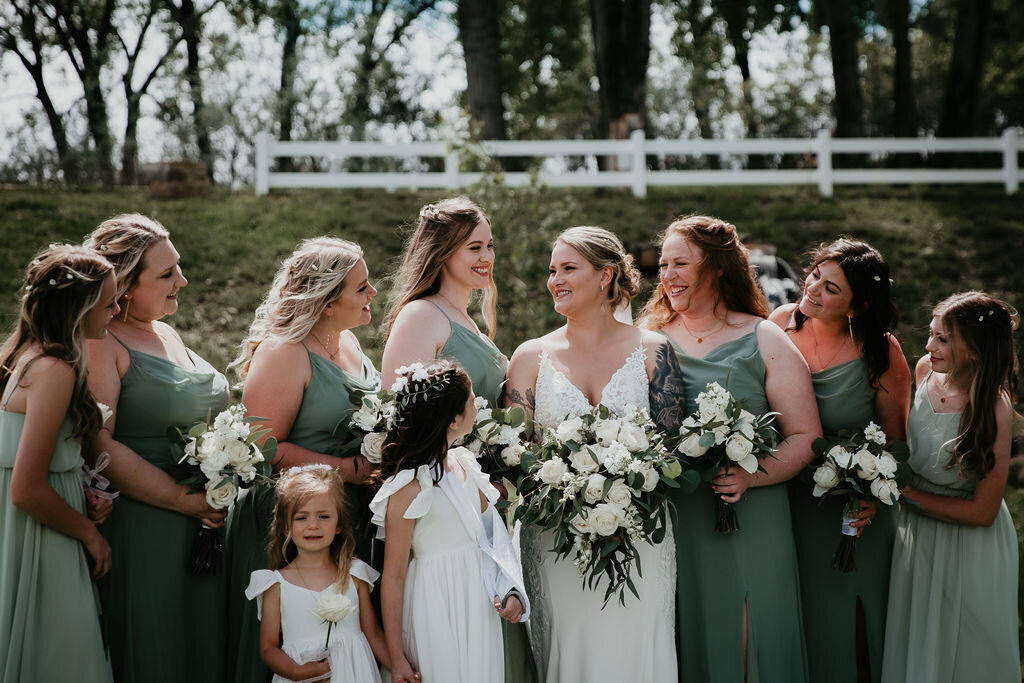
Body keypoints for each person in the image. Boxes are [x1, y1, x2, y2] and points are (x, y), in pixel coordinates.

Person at [638, 215, 820, 683]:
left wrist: (750, 474)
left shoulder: (764, 337)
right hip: (678, 518)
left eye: (681, 263)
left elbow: (806, 436)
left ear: (717, 268)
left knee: (748, 638)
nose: (668, 275)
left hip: (752, 515)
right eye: (663, 265)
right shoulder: (647, 340)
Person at [504, 226, 685, 683]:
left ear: (605, 276)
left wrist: (624, 490)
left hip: (640, 535)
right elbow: (512, 457)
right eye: (551, 270)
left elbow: (671, 452)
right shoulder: (529, 357)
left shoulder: (654, 351)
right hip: (554, 539)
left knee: (636, 645)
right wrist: (566, 490)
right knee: (570, 648)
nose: (555, 280)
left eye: (568, 268)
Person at [380, 197, 535, 682]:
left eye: (490, 246)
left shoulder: (466, 317)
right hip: (439, 503)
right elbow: (399, 411)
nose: (486, 257)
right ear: (442, 252)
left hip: (476, 493)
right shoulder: (423, 316)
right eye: (473, 247)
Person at [225, 237, 381, 683]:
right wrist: (350, 470)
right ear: (328, 303)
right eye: (361, 287)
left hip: (345, 514)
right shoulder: (285, 352)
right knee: (291, 642)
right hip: (289, 521)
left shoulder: (347, 342)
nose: (372, 294)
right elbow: (265, 447)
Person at [84, 214, 230, 683]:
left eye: (178, 268)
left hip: (202, 524)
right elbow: (98, 441)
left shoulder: (164, 331)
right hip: (147, 523)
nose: (182, 281)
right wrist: (184, 499)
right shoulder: (101, 342)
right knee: (156, 647)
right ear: (124, 285)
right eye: (166, 274)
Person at [769, 238, 911, 683]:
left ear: (857, 306)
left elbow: (896, 441)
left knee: (857, 629)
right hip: (791, 500)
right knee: (805, 620)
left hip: (854, 511)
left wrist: (875, 494)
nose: (812, 289)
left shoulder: (880, 352)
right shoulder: (778, 326)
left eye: (831, 288)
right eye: (814, 275)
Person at [881, 292, 1021, 683]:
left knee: (967, 652)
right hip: (916, 534)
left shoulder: (994, 408)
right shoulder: (925, 369)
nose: (929, 346)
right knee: (917, 642)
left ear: (975, 350)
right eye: (931, 334)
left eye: (943, 339)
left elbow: (983, 511)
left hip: (967, 545)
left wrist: (901, 494)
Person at [0, 245, 118, 683]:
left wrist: (80, 491)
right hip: (43, 540)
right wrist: (91, 534)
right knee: (64, 657)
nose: (116, 309)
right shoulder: (54, 370)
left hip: (42, 523)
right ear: (80, 306)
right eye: (109, 302)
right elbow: (26, 488)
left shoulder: (22, 357)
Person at [372, 361, 529, 683]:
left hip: (478, 602)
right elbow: (394, 576)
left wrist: (509, 589)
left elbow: (489, 538)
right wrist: (396, 656)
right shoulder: (409, 486)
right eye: (472, 399)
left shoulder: (465, 464)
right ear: (455, 418)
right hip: (435, 604)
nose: (478, 404)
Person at [245, 464, 388, 683]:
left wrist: (397, 665)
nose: (313, 525)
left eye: (323, 516)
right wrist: (295, 672)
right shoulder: (276, 584)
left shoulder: (354, 574)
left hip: (354, 674)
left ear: (339, 524)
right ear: (285, 527)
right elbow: (268, 648)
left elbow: (373, 633)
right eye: (301, 518)